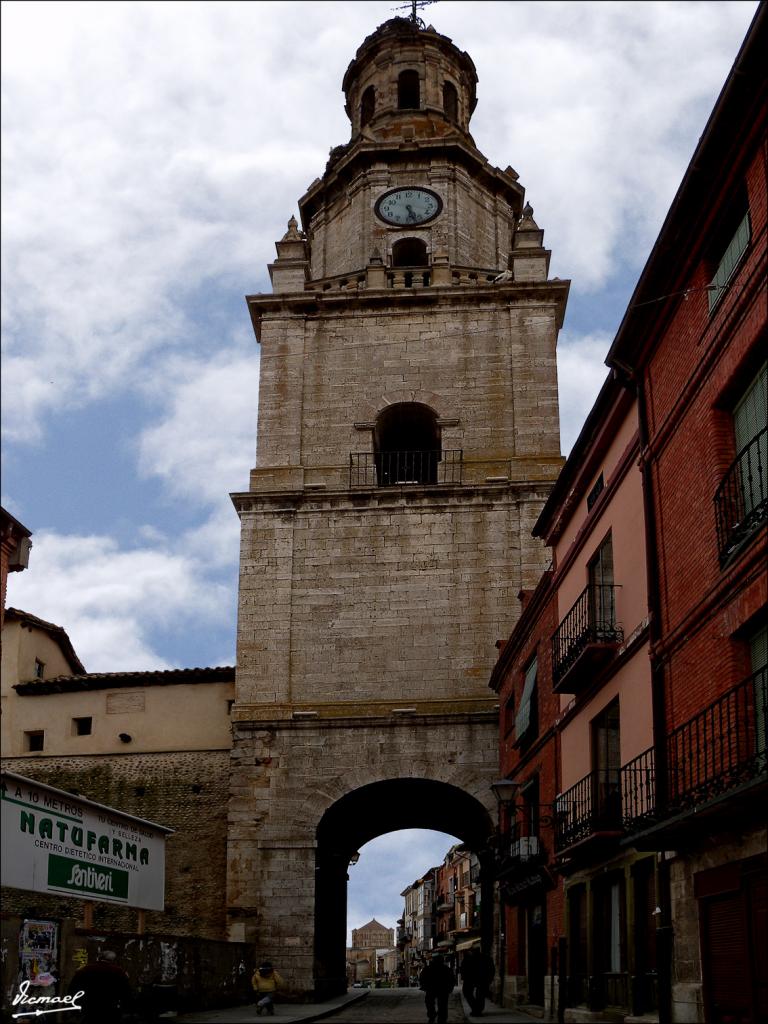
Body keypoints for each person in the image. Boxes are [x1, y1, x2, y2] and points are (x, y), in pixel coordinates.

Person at [68, 950, 133, 1024]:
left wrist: (74, 1006)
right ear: (113, 959)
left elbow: (74, 988)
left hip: (90, 1007)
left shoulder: (86, 969)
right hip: (110, 1007)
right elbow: (126, 991)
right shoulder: (119, 971)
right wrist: (125, 1007)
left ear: (99, 957)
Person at [419, 954, 455, 1024]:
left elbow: (422, 978)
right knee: (442, 1005)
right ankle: (441, 1018)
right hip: (443, 990)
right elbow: (452, 980)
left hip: (431, 989)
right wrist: (450, 988)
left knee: (429, 1003)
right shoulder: (446, 969)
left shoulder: (428, 968)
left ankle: (432, 1015)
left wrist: (424, 986)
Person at [460, 947, 495, 1016]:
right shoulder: (486, 958)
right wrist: (489, 979)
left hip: (471, 979)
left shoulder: (468, 958)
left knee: (469, 993)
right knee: (480, 995)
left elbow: (463, 968)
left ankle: (476, 1009)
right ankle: (478, 1009)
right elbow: (491, 969)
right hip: (482, 979)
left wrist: (463, 977)